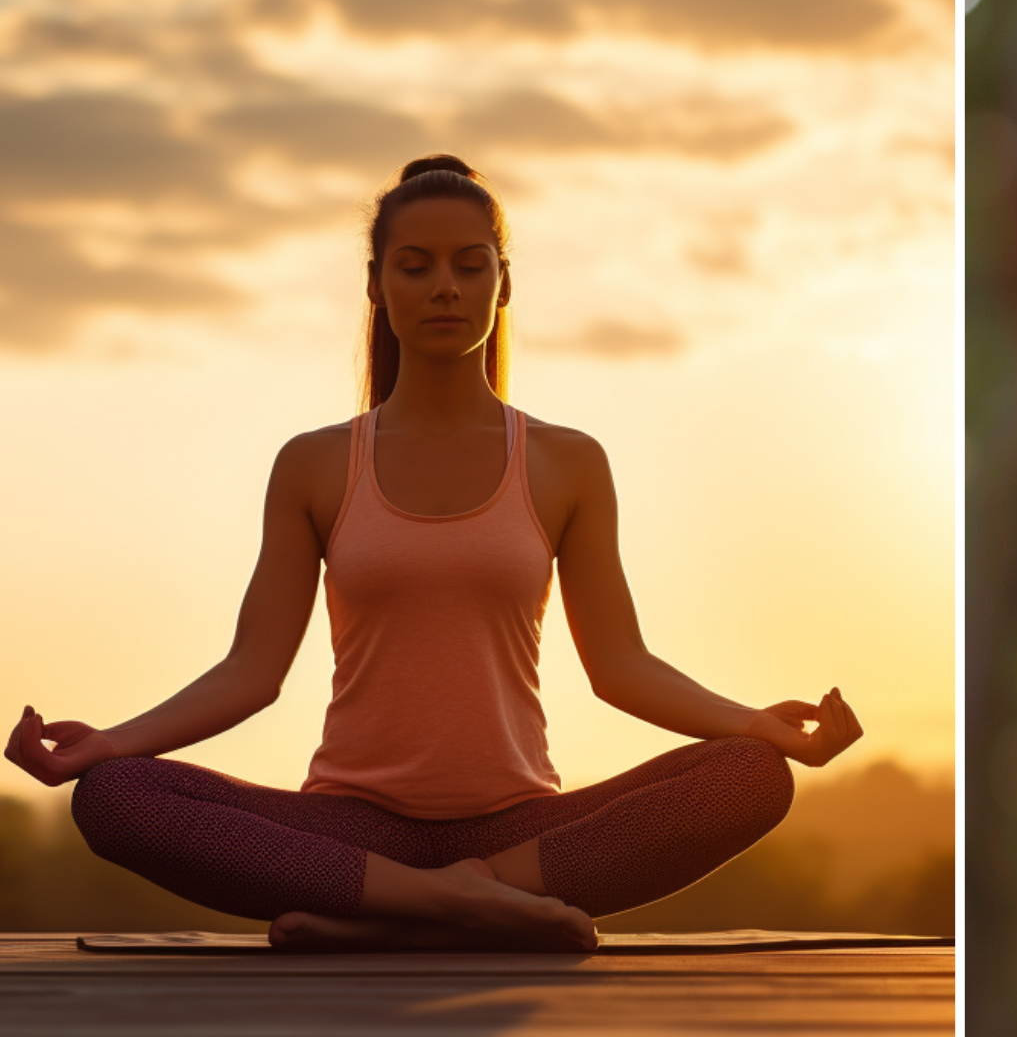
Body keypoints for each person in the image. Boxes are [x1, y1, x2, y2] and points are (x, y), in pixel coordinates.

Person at [2, 154, 862, 953]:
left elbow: (621, 667)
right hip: (353, 829)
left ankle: (399, 912)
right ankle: (452, 905)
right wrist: (106, 745)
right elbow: (250, 672)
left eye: (469, 265)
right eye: (414, 266)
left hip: (519, 830)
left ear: (503, 283)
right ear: (376, 286)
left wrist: (755, 725)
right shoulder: (315, 464)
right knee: (115, 797)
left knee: (752, 777)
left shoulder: (567, 462)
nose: (445, 287)